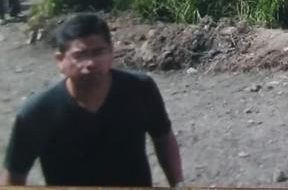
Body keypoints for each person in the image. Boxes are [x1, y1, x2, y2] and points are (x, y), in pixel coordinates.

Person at [2, 13, 183, 187]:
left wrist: (178, 184)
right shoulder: (38, 112)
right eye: (79, 55)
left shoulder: (139, 89)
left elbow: (163, 138)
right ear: (60, 60)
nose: (90, 63)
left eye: (98, 52)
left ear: (111, 53)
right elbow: (15, 175)